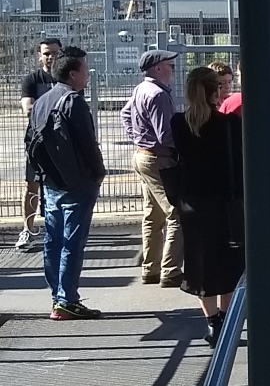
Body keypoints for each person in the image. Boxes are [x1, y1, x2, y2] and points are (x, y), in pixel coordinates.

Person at [165, 67, 244, 346]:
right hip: (224, 201)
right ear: (216, 91)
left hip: (192, 202)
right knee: (227, 262)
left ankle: (212, 323)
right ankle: (225, 317)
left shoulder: (178, 123)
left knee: (200, 263)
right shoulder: (230, 124)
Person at [26, 47, 104, 320]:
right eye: (84, 69)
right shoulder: (73, 101)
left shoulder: (43, 101)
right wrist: (98, 173)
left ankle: (58, 297)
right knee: (72, 241)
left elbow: (30, 142)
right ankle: (67, 300)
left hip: (51, 181)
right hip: (77, 182)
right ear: (73, 74)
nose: (87, 74)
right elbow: (88, 143)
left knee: (53, 239)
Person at [121, 49, 182, 287]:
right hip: (159, 159)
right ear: (158, 68)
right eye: (170, 65)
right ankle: (171, 271)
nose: (173, 70)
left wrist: (137, 138)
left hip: (143, 157)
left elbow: (125, 114)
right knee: (175, 213)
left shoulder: (141, 89)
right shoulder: (158, 94)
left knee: (153, 215)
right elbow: (166, 135)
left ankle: (151, 268)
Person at [15, 37, 61, 251]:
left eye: (54, 53)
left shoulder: (66, 79)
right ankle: (28, 229)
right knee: (31, 186)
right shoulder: (32, 80)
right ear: (39, 56)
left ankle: (58, 230)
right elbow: (29, 110)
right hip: (37, 143)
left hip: (62, 144)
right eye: (47, 53)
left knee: (61, 185)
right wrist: (56, 111)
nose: (51, 57)